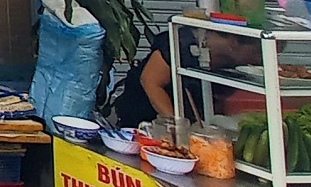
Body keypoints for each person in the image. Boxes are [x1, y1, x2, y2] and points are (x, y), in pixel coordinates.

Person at [110, 26, 259, 127]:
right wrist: (178, 127)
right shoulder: (181, 43)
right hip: (145, 116)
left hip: (194, 118)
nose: (259, 59)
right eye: (256, 53)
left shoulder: (234, 65)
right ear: (234, 42)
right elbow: (150, 81)